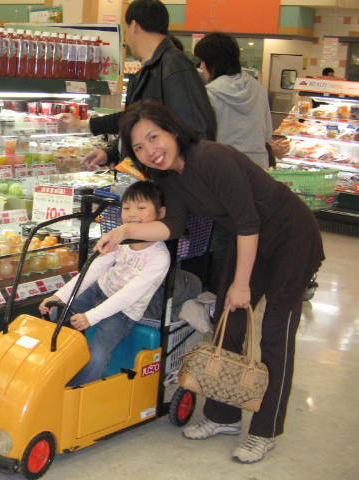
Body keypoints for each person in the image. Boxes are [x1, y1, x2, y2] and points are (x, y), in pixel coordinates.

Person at [96, 99, 324, 463]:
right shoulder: (167, 177)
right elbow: (173, 226)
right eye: (139, 146)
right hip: (248, 237)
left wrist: (241, 283)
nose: (150, 151)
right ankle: (223, 416)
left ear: (172, 130)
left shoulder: (212, 157)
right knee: (227, 321)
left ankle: (265, 430)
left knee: (276, 332)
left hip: (290, 236)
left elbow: (248, 220)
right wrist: (124, 230)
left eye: (154, 137)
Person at [38, 181, 170, 386]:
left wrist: (91, 317)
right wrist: (59, 296)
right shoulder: (121, 239)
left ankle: (76, 389)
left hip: (124, 311)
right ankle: (53, 372)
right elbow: (94, 270)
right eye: (126, 208)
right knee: (56, 313)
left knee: (98, 353)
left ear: (161, 214)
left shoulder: (159, 258)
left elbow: (128, 296)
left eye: (141, 208)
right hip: (100, 290)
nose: (132, 214)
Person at [58, 0, 216, 170]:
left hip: (167, 181)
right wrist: (111, 153)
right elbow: (135, 121)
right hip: (147, 177)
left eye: (126, 29)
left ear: (134, 26)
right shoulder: (150, 69)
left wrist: (182, 177)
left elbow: (198, 130)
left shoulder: (174, 66)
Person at [194, 32, 273, 169]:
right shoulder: (258, 89)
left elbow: (202, 140)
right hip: (258, 167)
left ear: (214, 63)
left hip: (223, 167)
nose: (201, 66)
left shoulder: (209, 94)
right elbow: (267, 135)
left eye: (203, 61)